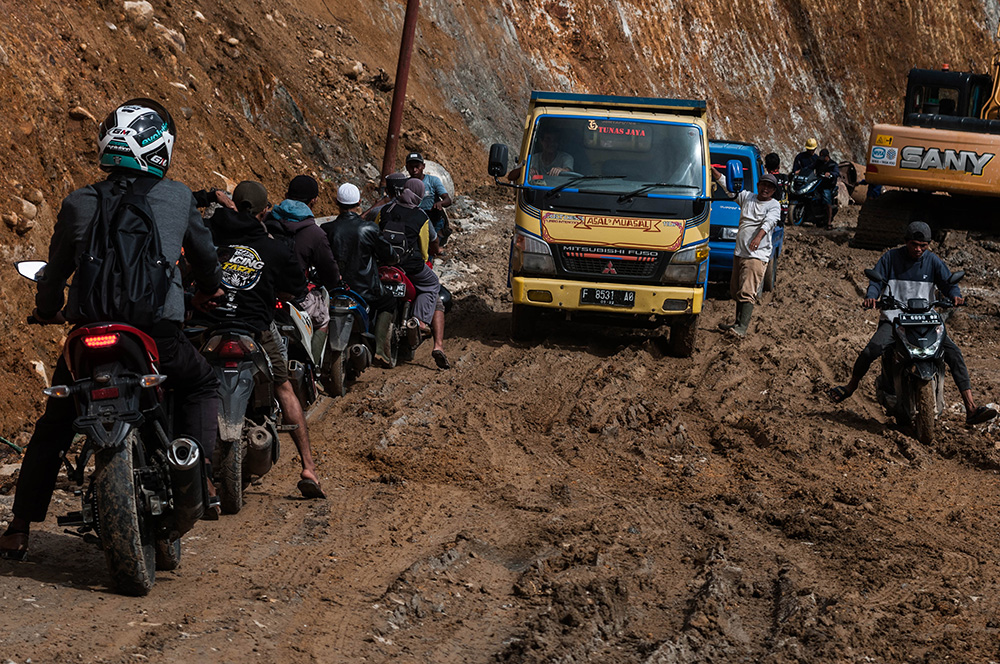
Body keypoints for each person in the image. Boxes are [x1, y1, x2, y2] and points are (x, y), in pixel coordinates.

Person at [0, 99, 225, 560]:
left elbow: (54, 273)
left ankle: (18, 527)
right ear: (160, 147)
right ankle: (201, 476)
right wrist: (208, 289)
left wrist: (49, 309)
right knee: (203, 382)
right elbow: (205, 261)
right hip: (155, 331)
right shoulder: (178, 197)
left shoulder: (78, 202)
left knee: (55, 424)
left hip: (89, 332)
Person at [200, 181, 326, 499]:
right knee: (284, 387)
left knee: (186, 390)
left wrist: (211, 197)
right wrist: (268, 291)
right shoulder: (274, 248)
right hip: (256, 331)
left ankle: (195, 471)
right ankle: (308, 467)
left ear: (233, 203)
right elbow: (295, 291)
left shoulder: (210, 233)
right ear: (264, 211)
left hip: (208, 328)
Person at [828, 221, 998, 425]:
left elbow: (948, 283)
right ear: (906, 242)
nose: (918, 249)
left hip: (926, 319)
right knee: (871, 350)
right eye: (914, 244)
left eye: (923, 245)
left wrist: (955, 296)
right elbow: (876, 282)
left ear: (929, 245)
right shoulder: (890, 258)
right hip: (894, 319)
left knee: (954, 353)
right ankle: (850, 387)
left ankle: (970, 408)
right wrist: (871, 296)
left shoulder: (933, 261)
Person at [377, 178, 450, 369]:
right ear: (419, 195)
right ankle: (419, 322)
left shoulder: (386, 210)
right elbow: (426, 249)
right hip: (411, 267)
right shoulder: (421, 216)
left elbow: (375, 233)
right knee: (432, 284)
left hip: (383, 265)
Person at [267, 175, 341, 362]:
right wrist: (335, 283)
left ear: (286, 194)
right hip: (297, 299)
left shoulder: (266, 222)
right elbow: (329, 272)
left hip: (265, 293)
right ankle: (314, 368)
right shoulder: (315, 233)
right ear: (314, 200)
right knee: (323, 319)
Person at [322, 183, 398, 365]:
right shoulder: (369, 229)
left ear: (336, 202)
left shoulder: (327, 229)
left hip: (334, 289)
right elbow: (388, 255)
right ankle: (380, 349)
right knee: (390, 301)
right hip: (365, 290)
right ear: (359, 202)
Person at [712, 170, 781, 338]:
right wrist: (713, 171)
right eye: (763, 185)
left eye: (770, 187)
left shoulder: (774, 205)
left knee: (747, 291)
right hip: (740, 252)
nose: (766, 189)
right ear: (758, 185)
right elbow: (728, 188)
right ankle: (736, 323)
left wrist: (758, 238)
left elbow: (769, 222)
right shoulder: (747, 197)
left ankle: (742, 328)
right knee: (736, 289)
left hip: (756, 255)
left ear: (773, 191)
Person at [404, 153, 453, 245]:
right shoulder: (406, 184)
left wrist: (440, 203)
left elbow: (448, 200)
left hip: (433, 219)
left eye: (417, 166)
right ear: (407, 168)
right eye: (411, 167)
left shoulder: (432, 181)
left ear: (423, 166)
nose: (414, 170)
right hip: (415, 222)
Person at [815, 148, 840, 229]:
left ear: (827, 156)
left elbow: (836, 173)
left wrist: (830, 174)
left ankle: (829, 223)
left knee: (827, 200)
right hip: (817, 184)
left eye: (823, 158)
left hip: (827, 186)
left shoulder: (833, 164)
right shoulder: (819, 162)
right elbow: (810, 167)